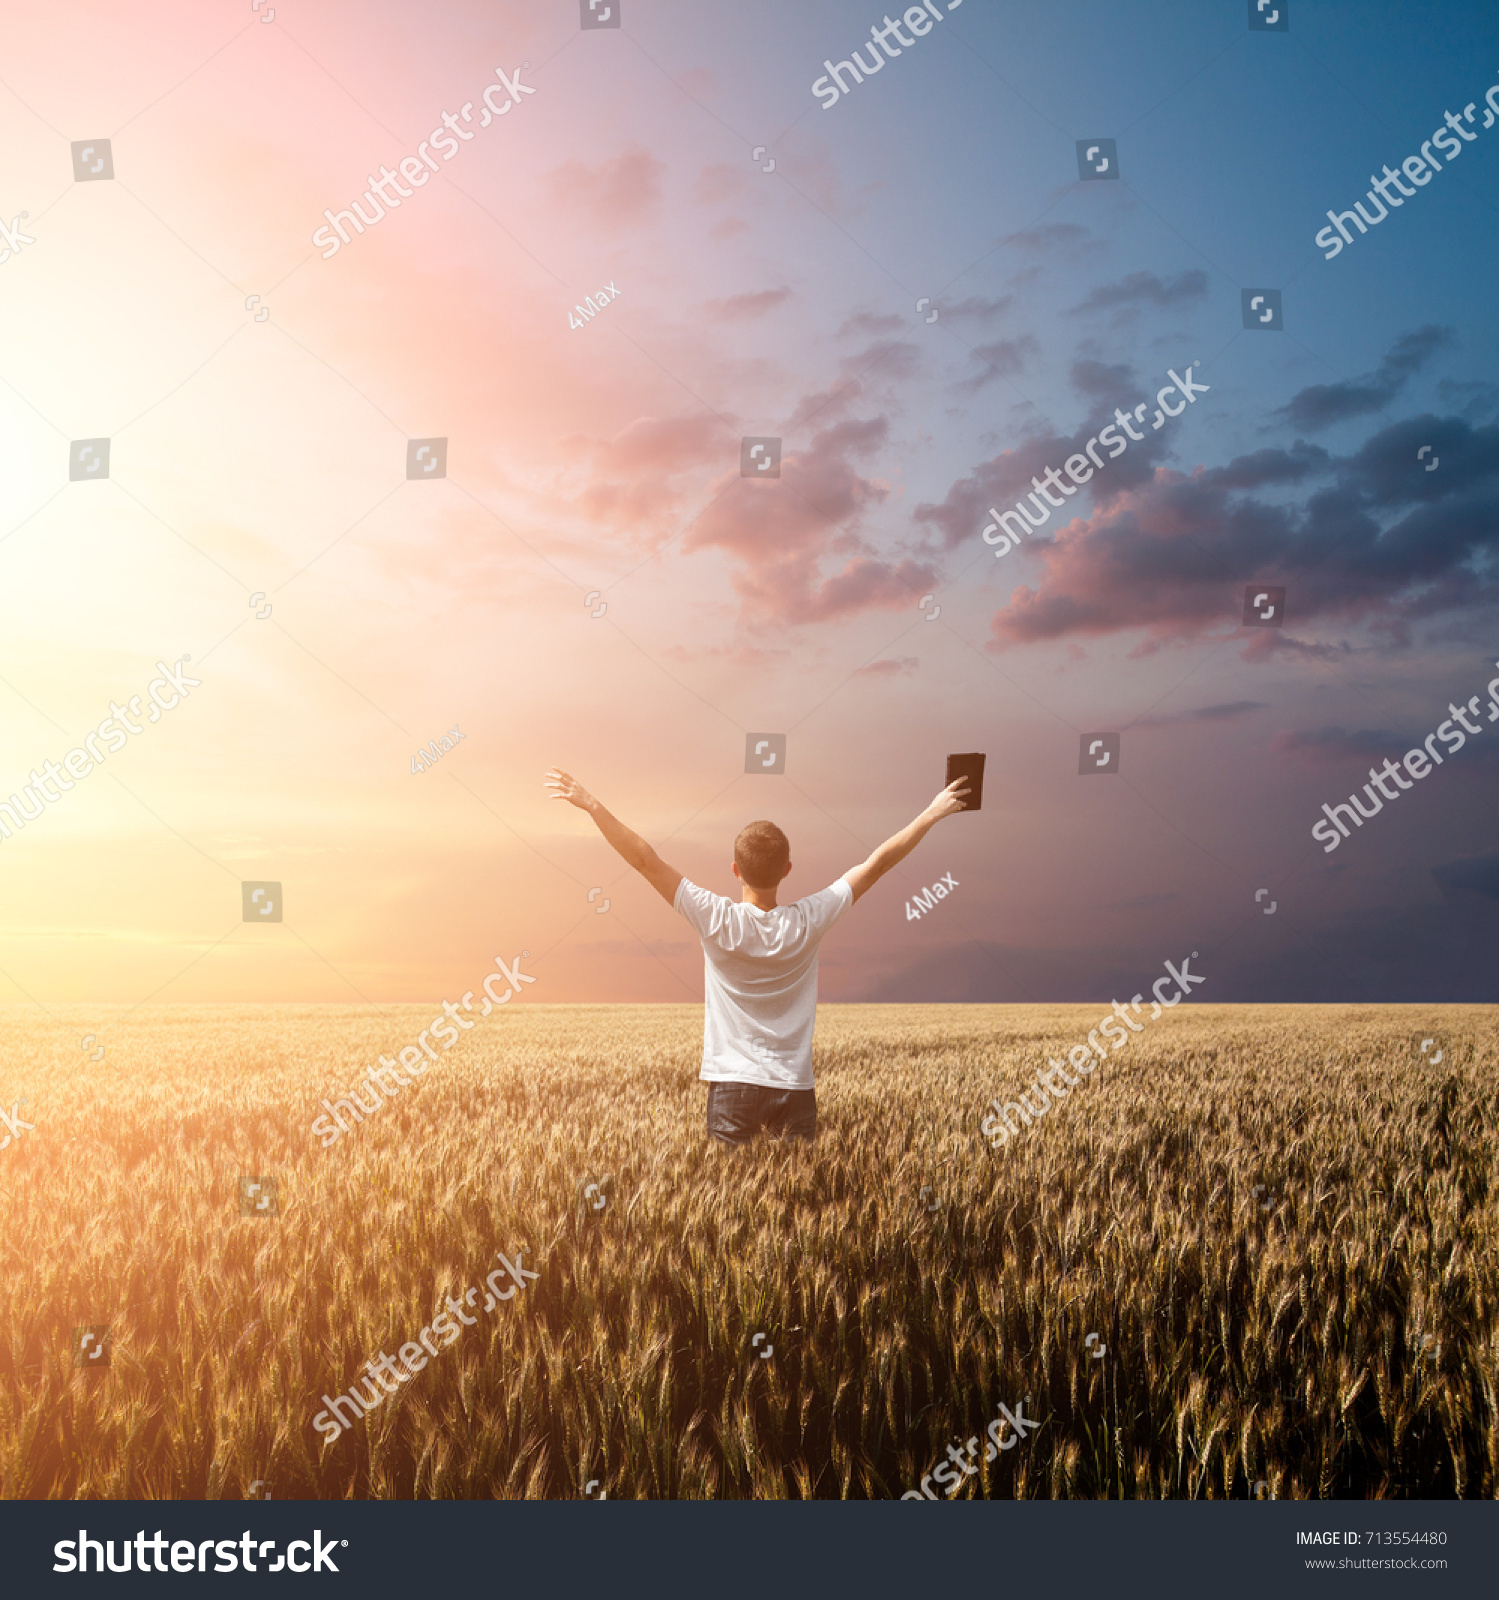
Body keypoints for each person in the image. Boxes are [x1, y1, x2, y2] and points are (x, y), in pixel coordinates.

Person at [544, 768, 970, 1144]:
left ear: (735, 869)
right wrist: (932, 813)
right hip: (793, 1087)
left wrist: (593, 806)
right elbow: (877, 864)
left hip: (731, 1088)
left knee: (730, 1206)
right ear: (787, 869)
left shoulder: (714, 917)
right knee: (795, 1215)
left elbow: (644, 859)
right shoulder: (809, 919)